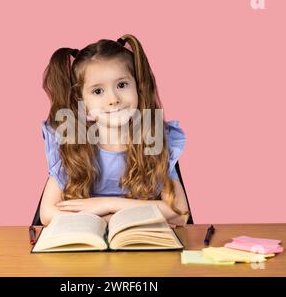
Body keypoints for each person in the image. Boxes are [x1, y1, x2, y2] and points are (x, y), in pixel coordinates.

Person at [39, 34, 189, 227]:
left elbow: (180, 213)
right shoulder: (72, 145)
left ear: (138, 87)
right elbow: (48, 214)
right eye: (98, 91)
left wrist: (106, 204)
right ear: (82, 101)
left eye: (122, 85)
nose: (113, 99)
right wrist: (124, 218)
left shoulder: (153, 141)